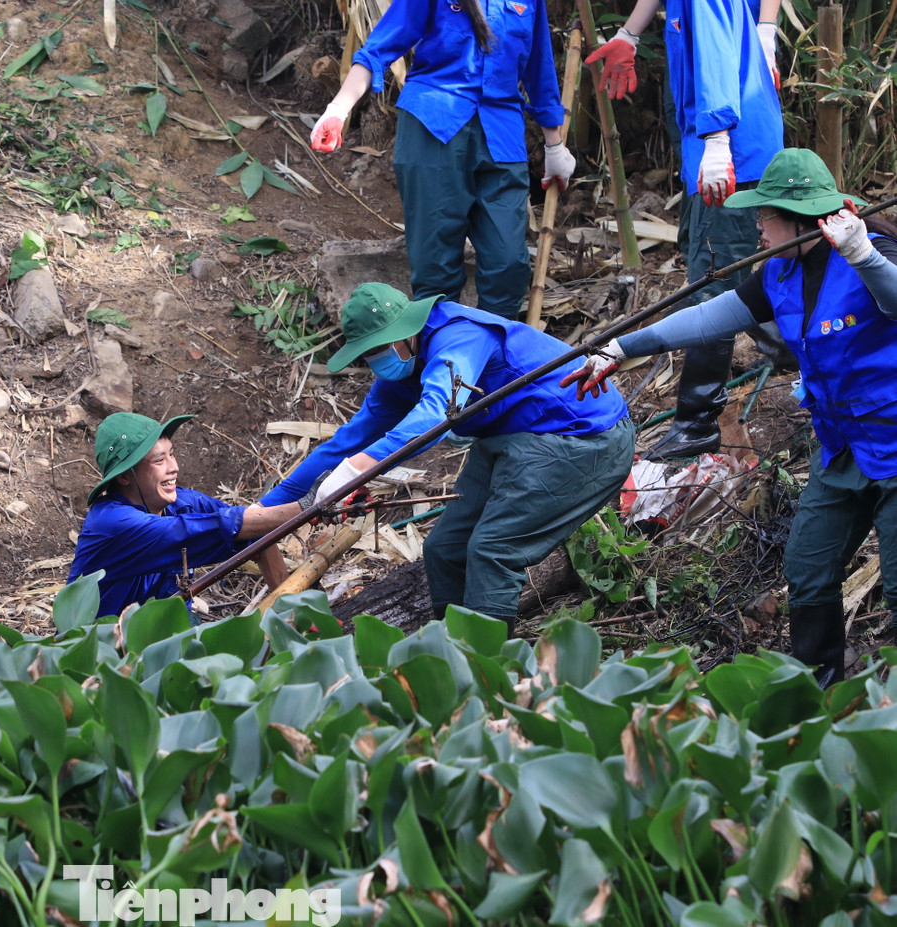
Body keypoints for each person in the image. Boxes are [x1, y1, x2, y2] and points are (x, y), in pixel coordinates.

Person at [563, 148, 897, 685]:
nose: (758, 226)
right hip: (843, 450)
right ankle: (820, 700)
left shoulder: (872, 251)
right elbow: (706, 319)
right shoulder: (778, 273)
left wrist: (865, 257)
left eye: (765, 216)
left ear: (802, 218)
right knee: (808, 574)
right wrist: (622, 347)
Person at [261, 283, 635, 629]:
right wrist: (261, 515)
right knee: (444, 549)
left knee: (492, 551)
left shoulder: (460, 336)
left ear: (405, 333)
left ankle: (486, 669)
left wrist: (357, 469)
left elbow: (436, 414)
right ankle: (452, 650)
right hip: (515, 440)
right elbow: (346, 442)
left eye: (378, 350)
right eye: (367, 355)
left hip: (585, 437)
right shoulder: (399, 375)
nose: (376, 362)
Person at [585, 0, 784, 460]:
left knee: (712, 281)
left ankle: (698, 420)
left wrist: (717, 139)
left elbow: (714, 53)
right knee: (709, 258)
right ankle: (787, 346)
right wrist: (631, 33)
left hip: (731, 149)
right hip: (722, 144)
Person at [309, 0, 575, 320]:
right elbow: (377, 49)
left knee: (509, 263)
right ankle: (443, 357)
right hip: (432, 125)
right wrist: (338, 108)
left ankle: (491, 353)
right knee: (435, 264)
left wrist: (554, 146)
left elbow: (540, 69)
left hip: (502, 135)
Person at [68, 412, 304, 621]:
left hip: (165, 633)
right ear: (124, 478)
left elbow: (252, 525)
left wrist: (295, 620)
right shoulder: (114, 523)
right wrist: (306, 508)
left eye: (172, 454)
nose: (174, 467)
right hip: (106, 653)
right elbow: (192, 531)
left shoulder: (183, 502)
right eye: (160, 460)